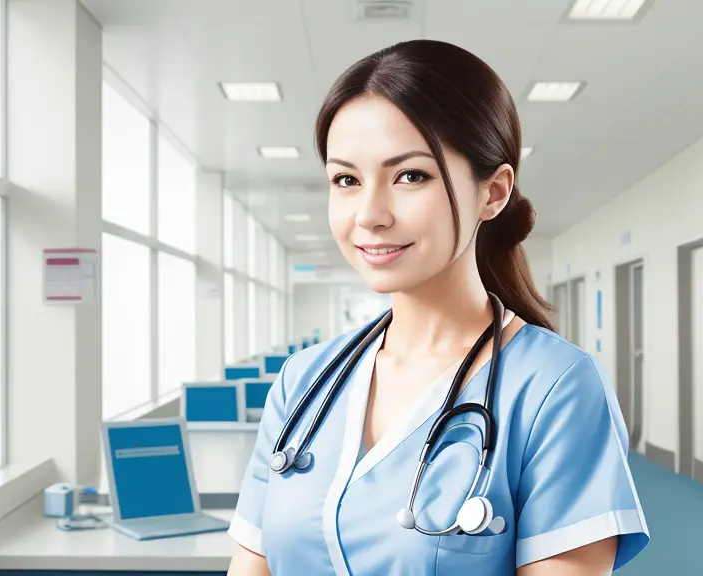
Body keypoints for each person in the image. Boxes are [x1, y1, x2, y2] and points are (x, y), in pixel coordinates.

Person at [227, 39, 649, 575]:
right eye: (346, 180)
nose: (370, 214)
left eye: (411, 176)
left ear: (493, 193)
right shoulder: (302, 382)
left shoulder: (555, 388)